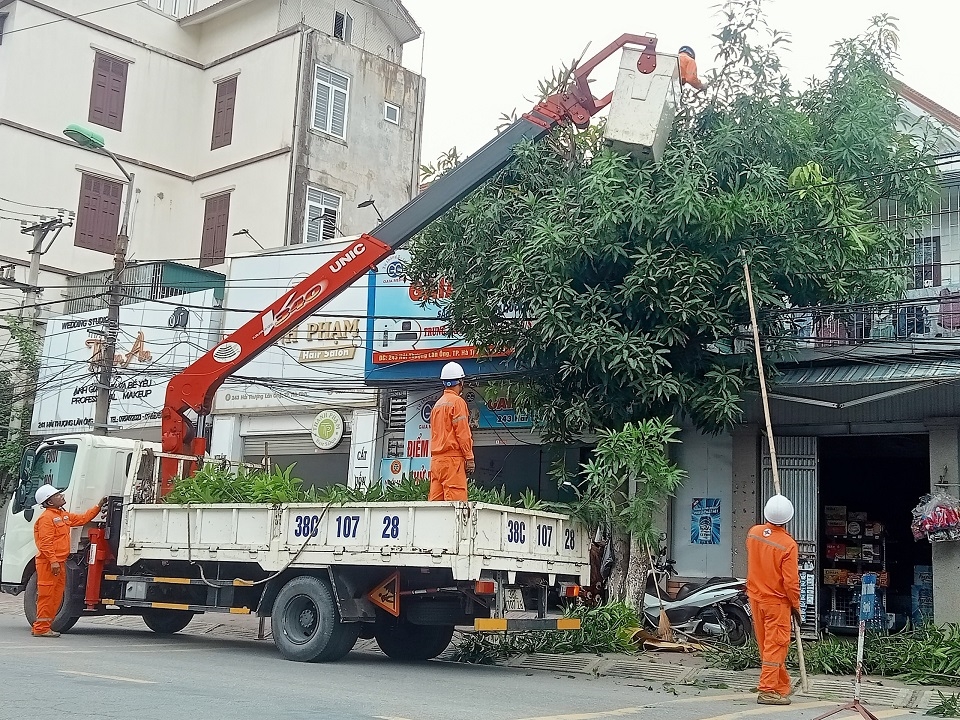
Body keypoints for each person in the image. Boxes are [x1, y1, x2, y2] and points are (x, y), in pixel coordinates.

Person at [746, 494, 801, 706]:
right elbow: (791, 582)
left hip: (755, 598)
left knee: (766, 646)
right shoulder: (788, 544)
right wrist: (795, 605)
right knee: (775, 646)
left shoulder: (753, 533)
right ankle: (768, 690)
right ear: (788, 518)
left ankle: (780, 685)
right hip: (776, 603)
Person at [32, 484, 106, 638]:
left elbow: (82, 519)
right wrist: (53, 561)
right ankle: (40, 628)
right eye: (57, 495)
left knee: (57, 595)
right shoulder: (46, 518)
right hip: (49, 563)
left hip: (58, 562)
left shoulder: (62, 515)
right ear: (50, 502)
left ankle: (46, 626)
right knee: (47, 595)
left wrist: (98, 507)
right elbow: (45, 543)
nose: (61, 496)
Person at [428, 362, 475, 502]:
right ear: (460, 382)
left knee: (436, 507)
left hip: (437, 462)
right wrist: (469, 458)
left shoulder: (437, 405)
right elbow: (463, 433)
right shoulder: (457, 402)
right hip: (452, 461)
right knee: (456, 505)